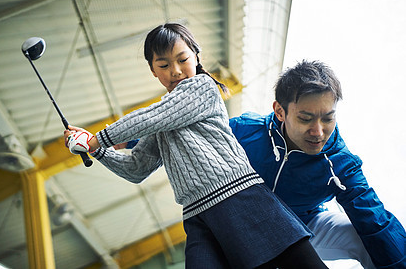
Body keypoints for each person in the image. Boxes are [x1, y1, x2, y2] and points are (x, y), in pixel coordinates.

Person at [63, 23, 328, 268]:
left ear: (196, 56)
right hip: (197, 215)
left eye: (182, 59)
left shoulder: (202, 87)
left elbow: (155, 115)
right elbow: (136, 168)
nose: (175, 71)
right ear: (153, 70)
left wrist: (96, 138)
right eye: (163, 65)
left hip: (240, 197)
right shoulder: (164, 122)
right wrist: (95, 150)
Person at [229, 60, 406, 269]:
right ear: (280, 111)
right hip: (241, 226)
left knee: (364, 235)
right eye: (306, 118)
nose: (318, 132)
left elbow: (375, 219)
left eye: (328, 118)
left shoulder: (340, 164)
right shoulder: (243, 131)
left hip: (303, 225)